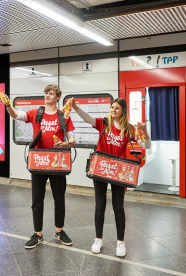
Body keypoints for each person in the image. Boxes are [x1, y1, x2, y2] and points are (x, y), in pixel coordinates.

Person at [71, 97, 151, 257]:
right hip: (101, 167)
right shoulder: (103, 123)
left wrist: (144, 131)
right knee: (99, 206)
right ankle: (98, 239)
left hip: (119, 171)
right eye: (112, 107)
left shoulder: (128, 128)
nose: (113, 110)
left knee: (118, 207)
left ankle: (120, 242)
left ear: (123, 111)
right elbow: (88, 118)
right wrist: (75, 107)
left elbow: (146, 145)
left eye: (116, 108)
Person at [0, 84, 76, 249]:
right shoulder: (36, 113)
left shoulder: (64, 115)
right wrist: (8, 104)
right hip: (39, 161)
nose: (47, 96)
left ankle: (59, 231)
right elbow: (16, 115)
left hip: (57, 162)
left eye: (51, 93)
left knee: (59, 199)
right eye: (46, 93)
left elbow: (72, 139)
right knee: (36, 200)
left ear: (57, 97)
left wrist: (66, 143)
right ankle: (38, 234)